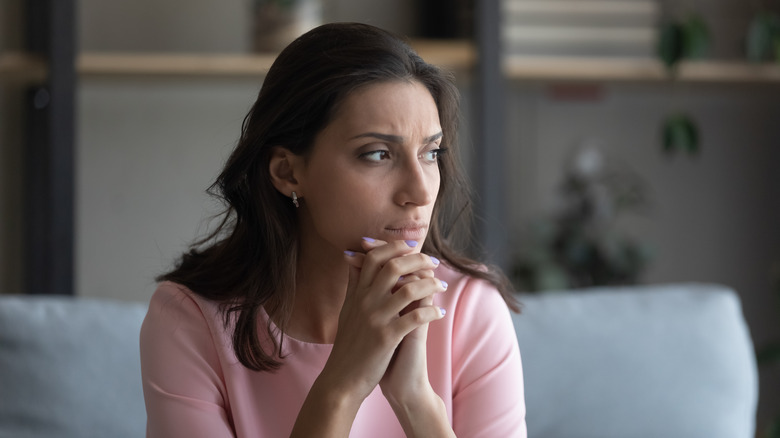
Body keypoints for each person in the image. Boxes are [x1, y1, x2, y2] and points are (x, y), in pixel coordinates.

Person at [140, 22, 526, 437]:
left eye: (431, 153)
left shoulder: (470, 310)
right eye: (377, 154)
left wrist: (415, 400)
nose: (419, 191)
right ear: (288, 172)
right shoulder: (190, 320)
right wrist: (342, 386)